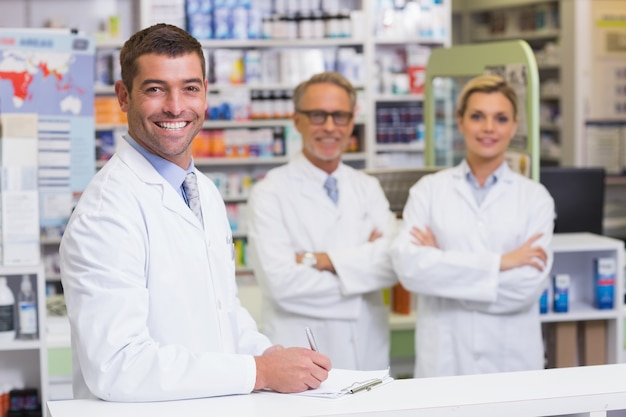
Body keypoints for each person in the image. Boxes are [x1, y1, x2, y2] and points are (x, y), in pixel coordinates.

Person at [59, 23, 330, 402]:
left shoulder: (202, 189)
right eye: (155, 89)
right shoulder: (106, 212)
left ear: (205, 93)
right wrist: (261, 371)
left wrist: (269, 353)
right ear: (123, 96)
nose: (175, 106)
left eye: (190, 88)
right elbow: (118, 366)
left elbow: (224, 309)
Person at [390, 74, 555, 378]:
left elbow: (525, 288)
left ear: (515, 125)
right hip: (444, 362)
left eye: (500, 118)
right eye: (477, 116)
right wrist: (502, 263)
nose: (489, 128)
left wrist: (441, 265)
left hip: (512, 365)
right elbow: (410, 270)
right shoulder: (428, 190)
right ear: (460, 121)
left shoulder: (535, 198)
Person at [246, 71, 398, 371]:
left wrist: (322, 260)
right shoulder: (269, 192)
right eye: (318, 116)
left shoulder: (367, 188)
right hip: (301, 356)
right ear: (297, 120)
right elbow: (281, 284)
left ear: (352, 121)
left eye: (339, 116)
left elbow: (394, 262)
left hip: (368, 351)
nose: (330, 127)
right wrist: (362, 274)